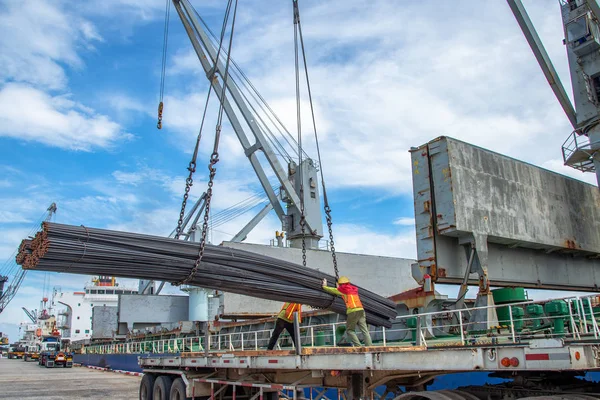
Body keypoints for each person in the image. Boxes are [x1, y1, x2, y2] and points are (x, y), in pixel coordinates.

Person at [322, 276, 373, 347]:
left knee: (350, 330)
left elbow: (332, 290)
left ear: (340, 284)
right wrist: (339, 288)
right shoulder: (353, 289)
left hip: (353, 311)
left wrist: (324, 286)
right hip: (361, 310)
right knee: (365, 330)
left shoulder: (343, 290)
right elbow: (342, 291)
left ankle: (358, 346)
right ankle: (369, 346)